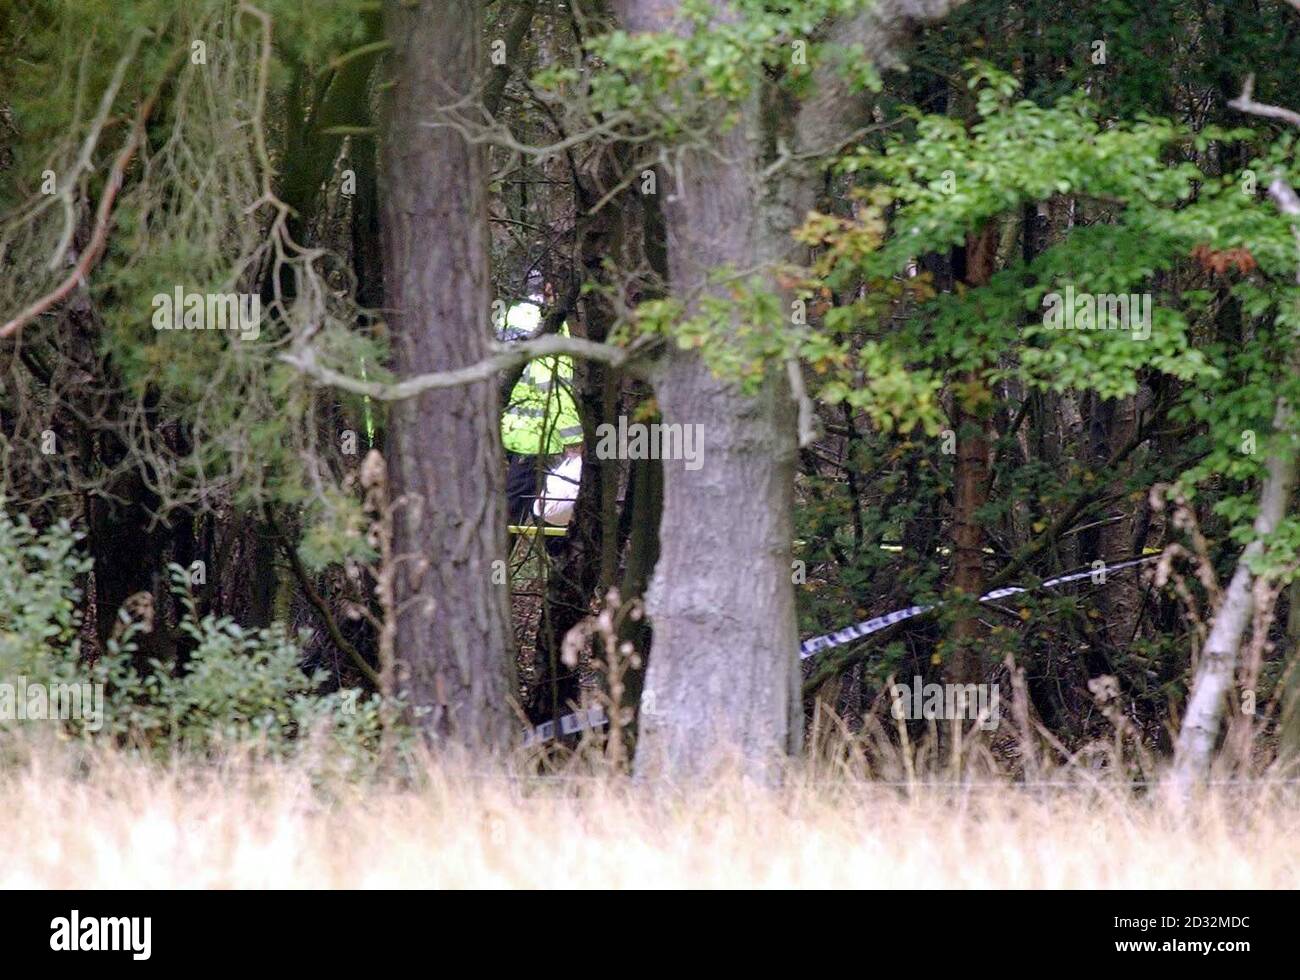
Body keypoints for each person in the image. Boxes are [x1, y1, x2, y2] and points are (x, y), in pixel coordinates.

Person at [499, 296, 583, 528]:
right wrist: (573, 439)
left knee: (518, 513)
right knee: (536, 517)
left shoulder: (514, 315)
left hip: (513, 431)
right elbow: (554, 388)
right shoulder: (552, 327)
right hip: (539, 438)